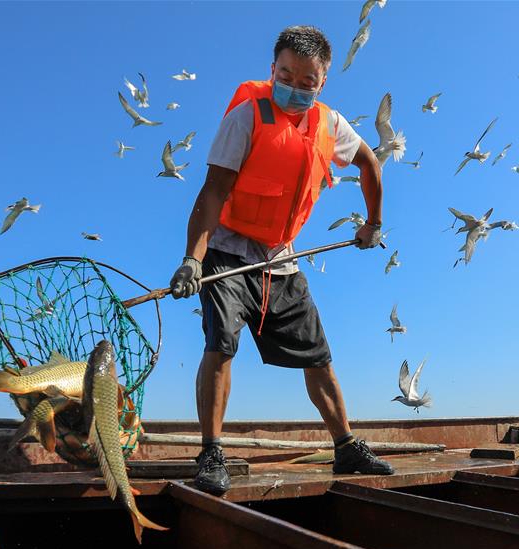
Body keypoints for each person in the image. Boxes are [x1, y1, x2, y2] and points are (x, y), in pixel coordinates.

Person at [168, 25, 394, 495]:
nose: (294, 84)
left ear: (322, 82)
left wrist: (372, 224)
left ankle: (346, 447)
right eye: (285, 73)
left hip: (281, 258)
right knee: (221, 343)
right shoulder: (246, 117)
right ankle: (211, 451)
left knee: (319, 355)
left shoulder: (331, 126)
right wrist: (194, 259)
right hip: (228, 249)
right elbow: (212, 192)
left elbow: (371, 164)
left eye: (307, 80)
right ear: (273, 70)